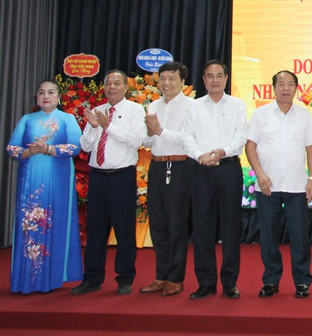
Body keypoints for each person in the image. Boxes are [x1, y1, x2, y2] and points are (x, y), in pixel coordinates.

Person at [73, 70, 147, 296]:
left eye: (117, 83)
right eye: (108, 83)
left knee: (124, 230)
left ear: (126, 87)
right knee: (95, 229)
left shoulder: (135, 110)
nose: (112, 87)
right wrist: (95, 126)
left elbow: (137, 140)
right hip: (98, 177)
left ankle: (124, 278)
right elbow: (85, 146)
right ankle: (92, 278)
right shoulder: (98, 110)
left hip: (121, 177)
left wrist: (108, 126)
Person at [6, 80, 83, 293]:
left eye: (50, 92)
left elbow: (76, 146)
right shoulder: (27, 119)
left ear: (59, 97)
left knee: (54, 221)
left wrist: (48, 148)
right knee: (30, 224)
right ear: (36, 98)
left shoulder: (67, 119)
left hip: (58, 179)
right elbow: (12, 148)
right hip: (30, 181)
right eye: (41, 92)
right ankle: (28, 279)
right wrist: (31, 151)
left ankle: (53, 278)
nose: (45, 96)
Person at [246, 70, 312, 299]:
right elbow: (250, 147)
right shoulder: (260, 114)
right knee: (268, 237)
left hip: (297, 186)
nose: (286, 89)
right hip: (268, 185)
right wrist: (260, 174)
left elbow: (311, 149)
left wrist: (311, 179)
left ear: (297, 88)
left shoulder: (304, 115)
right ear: (273, 88)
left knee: (299, 237)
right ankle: (271, 281)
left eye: (290, 84)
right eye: (281, 84)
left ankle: (302, 282)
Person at [186, 60, 248, 300]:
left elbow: (241, 136)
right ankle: (206, 283)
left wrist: (222, 151)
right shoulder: (193, 106)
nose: (214, 80)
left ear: (226, 78)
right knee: (202, 227)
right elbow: (187, 137)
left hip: (228, 169)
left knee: (231, 227)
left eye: (219, 75)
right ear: (203, 80)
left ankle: (230, 282)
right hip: (200, 170)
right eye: (209, 76)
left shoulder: (237, 105)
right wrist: (199, 155)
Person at [138, 62, 196, 297]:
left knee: (177, 224)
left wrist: (161, 131)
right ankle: (161, 276)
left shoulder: (192, 107)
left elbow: (189, 139)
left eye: (172, 78)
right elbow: (148, 141)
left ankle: (176, 278)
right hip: (157, 166)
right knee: (158, 223)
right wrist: (151, 133)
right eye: (163, 78)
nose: (166, 83)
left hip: (181, 167)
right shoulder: (153, 104)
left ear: (182, 82)